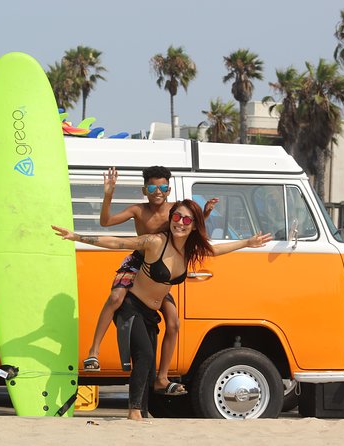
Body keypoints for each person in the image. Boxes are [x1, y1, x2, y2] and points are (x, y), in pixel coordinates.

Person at [52, 199, 271, 420]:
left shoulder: (190, 250)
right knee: (145, 356)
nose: (180, 223)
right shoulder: (156, 242)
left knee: (148, 364)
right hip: (131, 306)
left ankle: (143, 410)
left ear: (194, 225)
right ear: (170, 219)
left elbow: (215, 250)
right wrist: (77, 237)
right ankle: (134, 411)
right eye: (176, 217)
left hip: (150, 313)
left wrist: (246, 242)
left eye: (187, 220)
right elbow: (117, 242)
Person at [83, 166, 216, 398]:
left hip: (159, 270)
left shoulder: (174, 211)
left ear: (169, 189)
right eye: (153, 187)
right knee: (116, 297)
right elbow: (105, 222)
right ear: (145, 189)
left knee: (173, 323)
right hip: (137, 261)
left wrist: (204, 214)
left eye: (163, 187)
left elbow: (187, 228)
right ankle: (94, 351)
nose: (158, 191)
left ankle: (162, 378)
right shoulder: (138, 210)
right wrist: (108, 195)